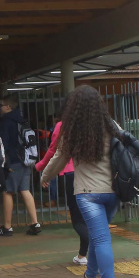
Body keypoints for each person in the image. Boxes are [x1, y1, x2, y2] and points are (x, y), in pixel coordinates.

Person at [40, 86, 119, 278]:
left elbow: (58, 159)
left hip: (88, 194)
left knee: (101, 239)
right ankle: (90, 275)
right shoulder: (111, 126)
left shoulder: (73, 132)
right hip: (113, 192)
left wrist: (44, 176)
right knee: (97, 236)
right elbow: (131, 146)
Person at [35, 95, 88, 265]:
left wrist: (41, 167)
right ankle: (83, 254)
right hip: (91, 174)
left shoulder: (61, 127)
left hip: (71, 174)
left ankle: (85, 253)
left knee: (78, 218)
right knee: (89, 216)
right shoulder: (90, 125)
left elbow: (53, 151)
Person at [0, 95, 41, 236]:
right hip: (26, 160)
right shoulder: (22, 120)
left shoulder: (6, 122)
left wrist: (4, 163)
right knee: (25, 190)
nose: (0, 108)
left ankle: (7, 227)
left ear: (8, 107)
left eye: (2, 105)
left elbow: (3, 144)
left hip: (13, 161)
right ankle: (35, 223)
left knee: (8, 191)